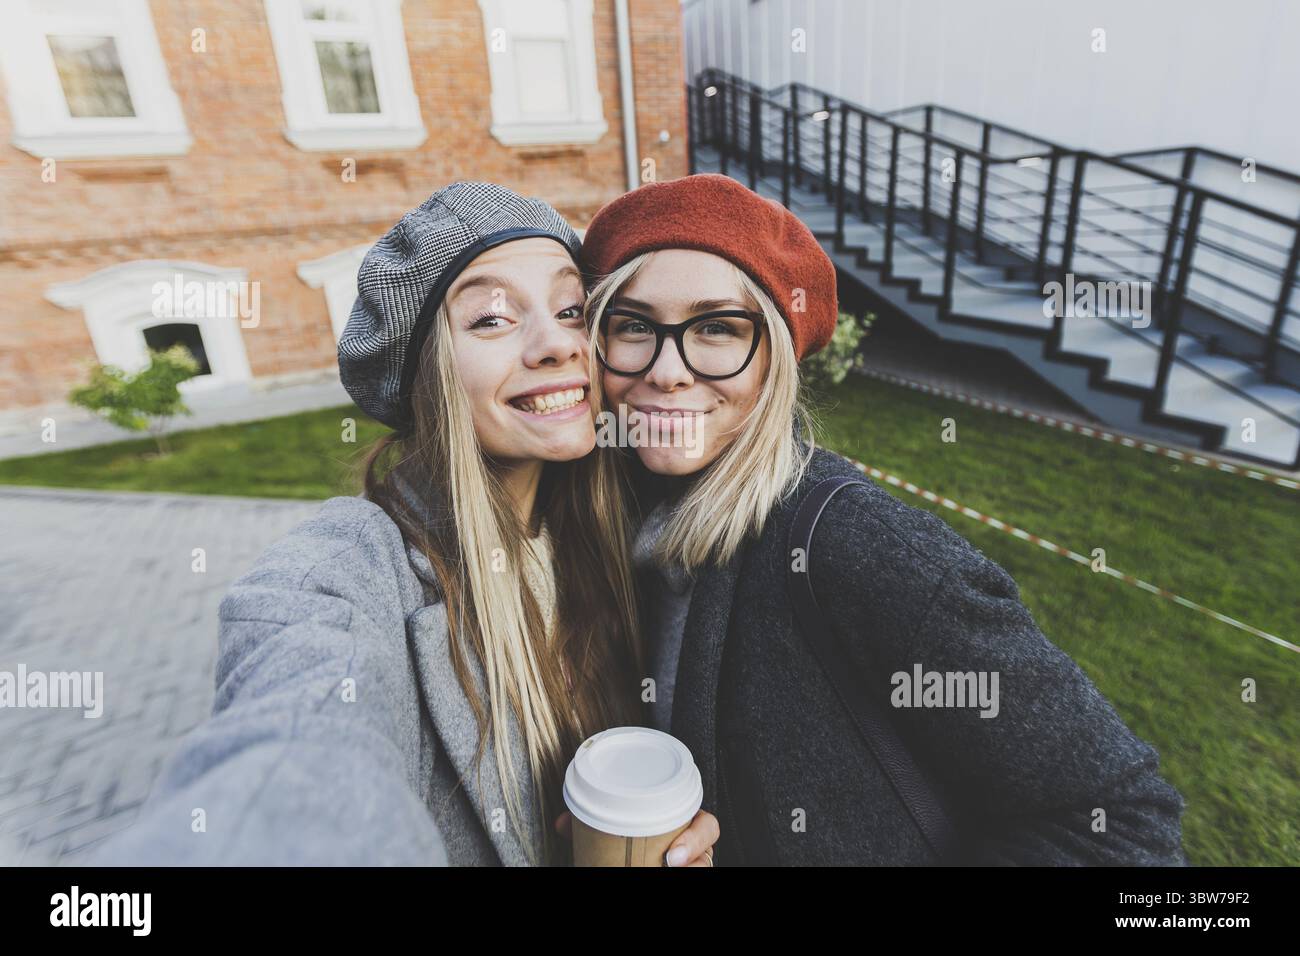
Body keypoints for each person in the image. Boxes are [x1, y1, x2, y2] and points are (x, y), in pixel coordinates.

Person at [84, 182, 718, 867]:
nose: (555, 345)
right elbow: (297, 752)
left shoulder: (628, 521)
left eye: (570, 309)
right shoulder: (346, 570)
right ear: (426, 374)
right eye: (492, 319)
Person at [578, 172, 1188, 866]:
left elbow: (1122, 825)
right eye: (633, 325)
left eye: (717, 328)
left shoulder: (857, 547)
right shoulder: (615, 515)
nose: (667, 370)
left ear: (775, 360)